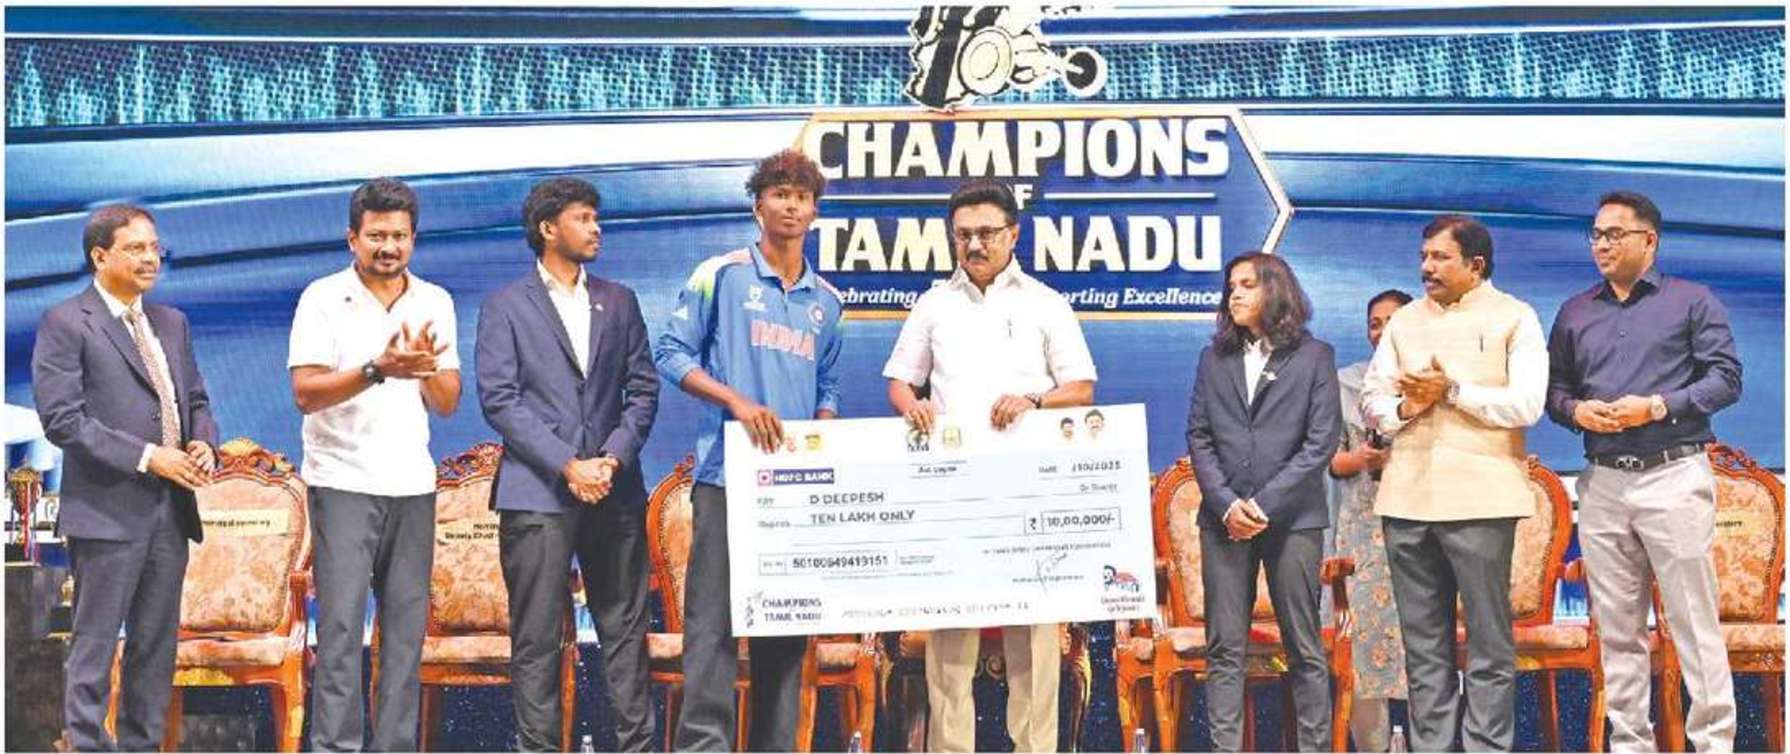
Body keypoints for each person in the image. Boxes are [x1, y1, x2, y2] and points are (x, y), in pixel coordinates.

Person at [884, 178, 1097, 753]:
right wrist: (912, 406)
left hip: (1030, 493)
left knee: (1035, 635)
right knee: (950, 641)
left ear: (1013, 234)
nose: (974, 244)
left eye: (986, 233)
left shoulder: (1045, 303)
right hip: (953, 493)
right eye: (963, 235)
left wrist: (1034, 401)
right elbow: (900, 382)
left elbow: (1081, 388)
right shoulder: (933, 304)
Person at [654, 148, 843, 752]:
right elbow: (670, 353)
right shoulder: (721, 275)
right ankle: (703, 746)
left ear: (814, 211)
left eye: (801, 197)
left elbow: (828, 385)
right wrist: (735, 401)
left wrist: (821, 427)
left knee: (785, 625)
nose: (791, 206)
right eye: (779, 194)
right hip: (725, 478)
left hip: (794, 490)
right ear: (758, 205)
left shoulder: (827, 301)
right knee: (711, 626)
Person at [1546, 191, 1742, 753]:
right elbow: (1554, 391)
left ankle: (1714, 744)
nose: (1602, 245)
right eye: (1596, 235)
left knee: (1693, 624)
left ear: (1648, 240)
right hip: (1603, 481)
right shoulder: (1575, 312)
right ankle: (1631, 744)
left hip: (1672, 474)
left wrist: (1656, 407)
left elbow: (1726, 379)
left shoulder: (1691, 300)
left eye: (1615, 234)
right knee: (1618, 630)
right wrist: (1576, 411)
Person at [477, 177, 660, 751]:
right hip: (537, 493)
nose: (596, 228)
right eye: (583, 218)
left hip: (614, 490)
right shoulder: (505, 306)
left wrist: (611, 458)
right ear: (548, 228)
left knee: (625, 634)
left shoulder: (620, 300)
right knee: (535, 640)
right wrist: (567, 464)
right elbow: (499, 400)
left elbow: (643, 390)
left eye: (595, 218)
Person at [33, 205, 219, 752]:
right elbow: (63, 420)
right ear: (100, 256)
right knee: (94, 648)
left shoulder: (171, 323)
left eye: (155, 247)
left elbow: (196, 400)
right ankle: (87, 745)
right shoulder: (67, 322)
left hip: (171, 514)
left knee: (154, 651)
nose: (150, 258)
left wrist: (202, 441)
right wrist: (148, 457)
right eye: (136, 248)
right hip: (107, 514)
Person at [1362, 215, 1546, 752]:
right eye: (1424, 256)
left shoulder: (1515, 316)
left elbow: (1527, 404)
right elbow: (1372, 400)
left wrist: (1452, 392)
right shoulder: (1404, 321)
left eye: (1440, 257)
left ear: (1476, 264)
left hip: (1482, 500)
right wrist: (1407, 407)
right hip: (1406, 501)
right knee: (1423, 650)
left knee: (1489, 646)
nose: (1427, 267)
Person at [289, 177, 461, 752]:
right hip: (342, 481)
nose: (389, 247)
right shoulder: (322, 298)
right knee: (340, 630)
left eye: (400, 236)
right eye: (377, 236)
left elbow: (448, 402)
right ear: (352, 239)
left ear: (414, 239)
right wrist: (378, 369)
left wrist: (424, 367)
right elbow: (306, 392)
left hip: (412, 485)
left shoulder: (435, 301)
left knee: (405, 636)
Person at [1185, 251, 1341, 752]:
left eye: (1247, 285)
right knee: (1224, 647)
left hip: (1294, 520)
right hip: (1224, 521)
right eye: (1231, 286)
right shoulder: (1214, 358)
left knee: (1304, 646)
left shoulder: (1315, 356)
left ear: (1276, 290)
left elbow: (1320, 442)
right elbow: (1199, 435)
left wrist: (1263, 504)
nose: (1234, 294)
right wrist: (1228, 505)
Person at [1327, 288, 1413, 752]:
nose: (1380, 332)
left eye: (1391, 322)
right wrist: (1362, 457)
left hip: (1421, 522)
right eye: (1374, 324)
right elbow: (1330, 461)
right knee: (1360, 647)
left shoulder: (1431, 385)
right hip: (1362, 530)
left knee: (1424, 646)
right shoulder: (1344, 384)